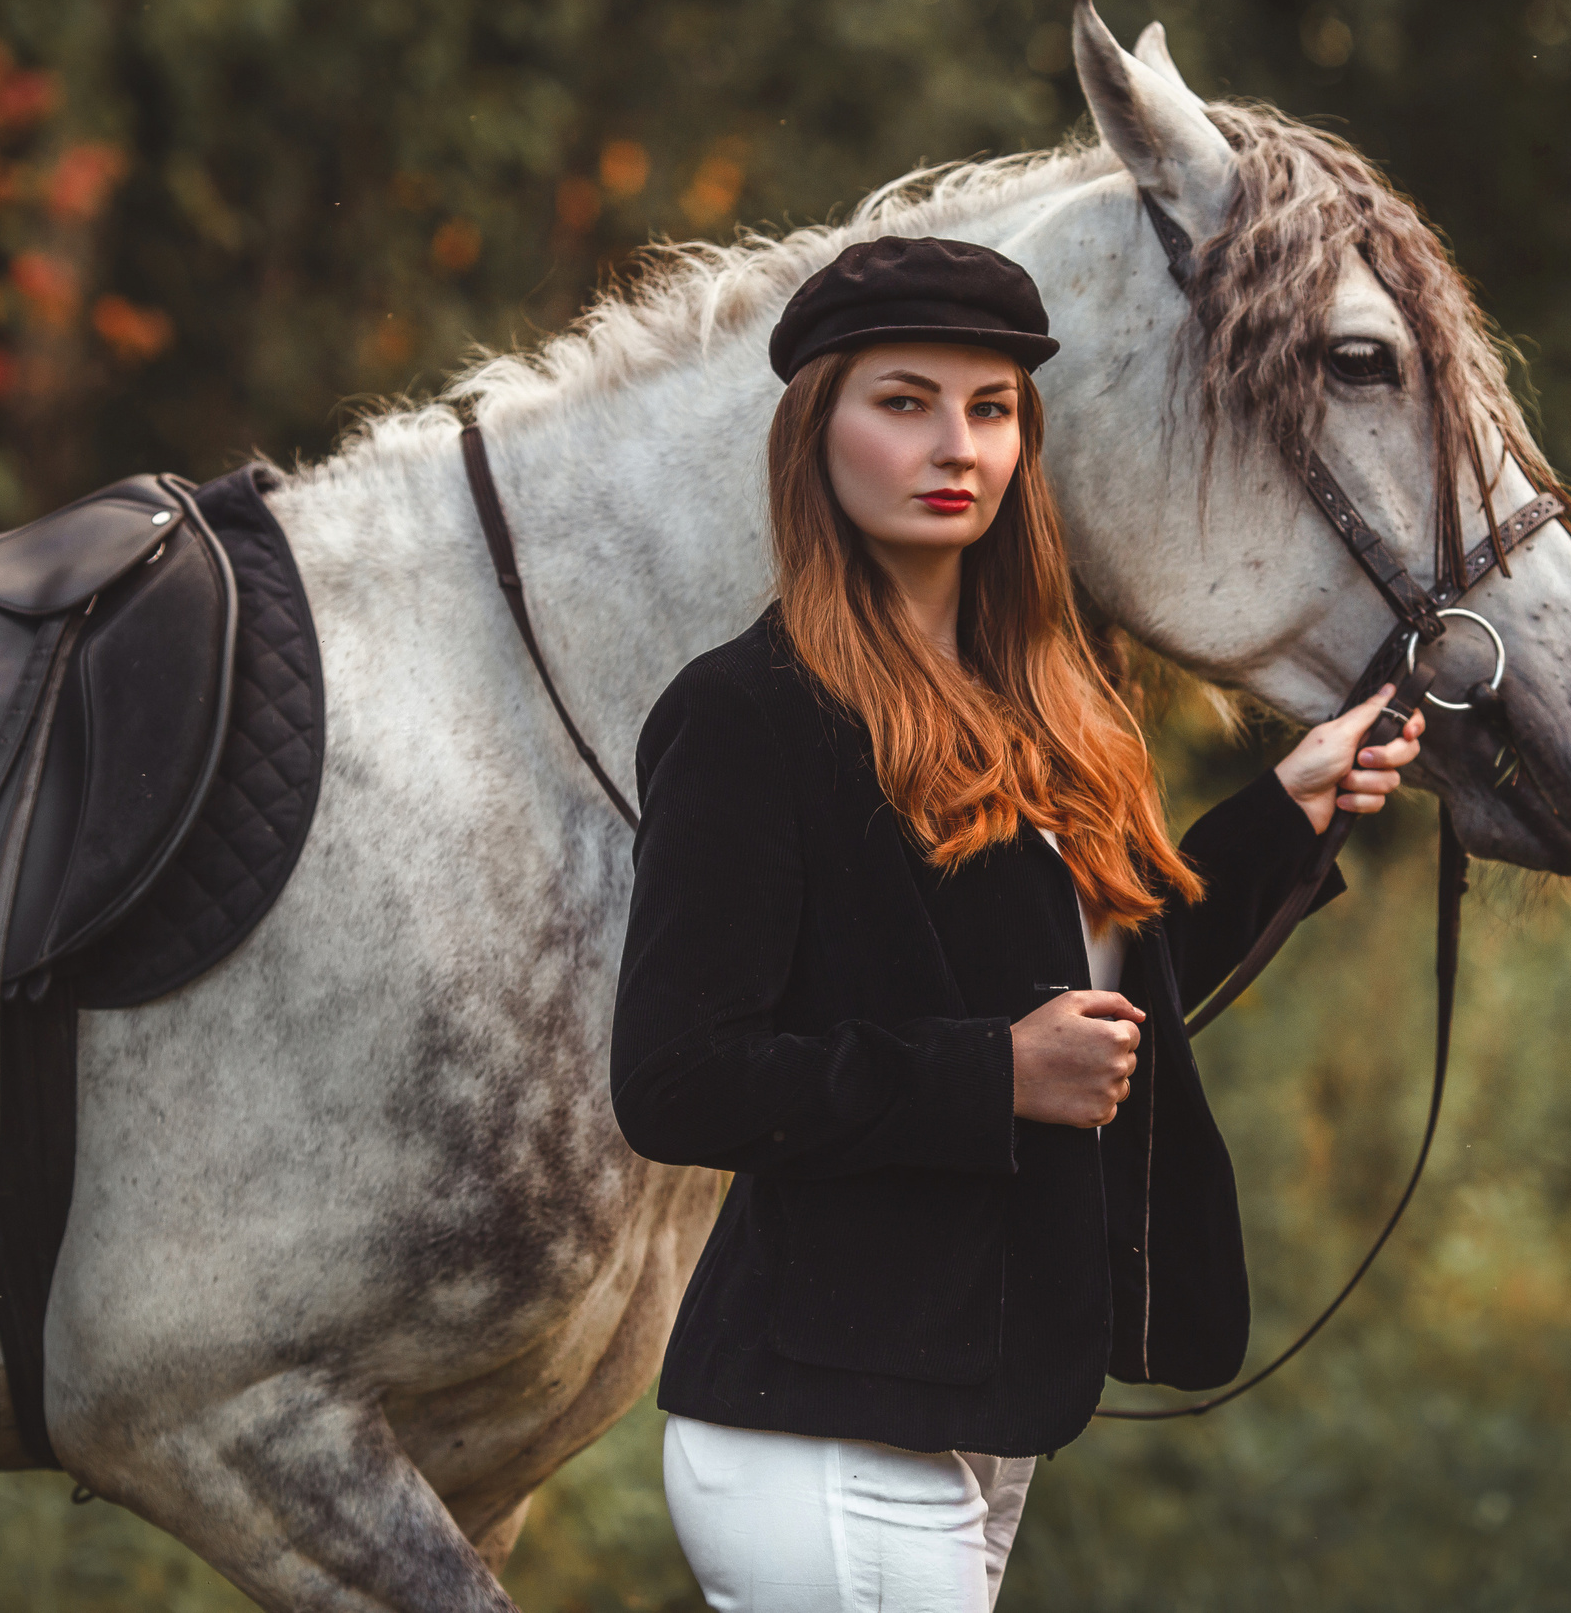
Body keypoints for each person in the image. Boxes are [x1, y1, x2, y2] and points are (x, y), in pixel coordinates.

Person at [609, 235, 1424, 1612]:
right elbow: (677, 1080)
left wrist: (1290, 807)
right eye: (904, 400)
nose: (957, 445)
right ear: (817, 429)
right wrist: (993, 1074)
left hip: (979, 1409)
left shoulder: (1040, 703)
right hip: (822, 1422)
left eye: (992, 410)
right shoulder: (749, 715)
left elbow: (1110, 1007)